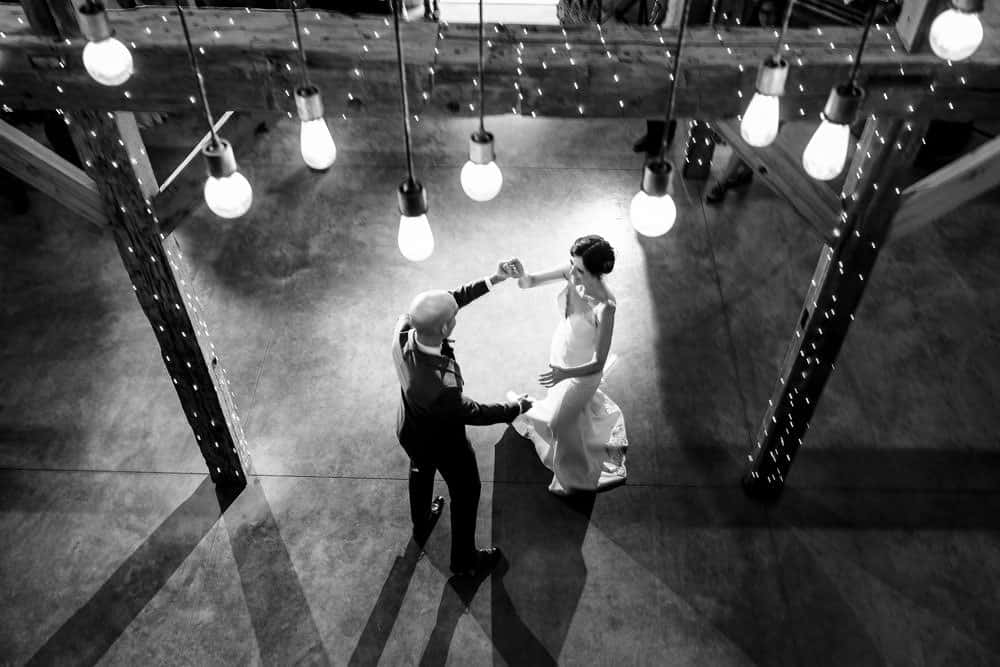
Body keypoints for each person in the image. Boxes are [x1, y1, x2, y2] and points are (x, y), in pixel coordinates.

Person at [392, 260, 533, 577]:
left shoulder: (404, 329)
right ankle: (464, 562)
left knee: (420, 470)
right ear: (444, 330)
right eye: (453, 318)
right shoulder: (438, 387)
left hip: (411, 430)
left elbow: (450, 300)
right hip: (446, 444)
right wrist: (516, 408)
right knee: (467, 493)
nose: (457, 314)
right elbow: (474, 413)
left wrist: (493, 279)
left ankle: (422, 521)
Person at [509, 236, 628, 495]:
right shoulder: (570, 271)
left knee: (558, 423)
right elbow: (528, 283)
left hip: (581, 374)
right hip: (561, 353)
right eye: (572, 265)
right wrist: (521, 273)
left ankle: (573, 475)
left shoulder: (606, 307)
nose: (572, 272)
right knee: (563, 411)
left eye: (580, 269)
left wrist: (565, 374)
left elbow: (597, 364)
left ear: (597, 273)